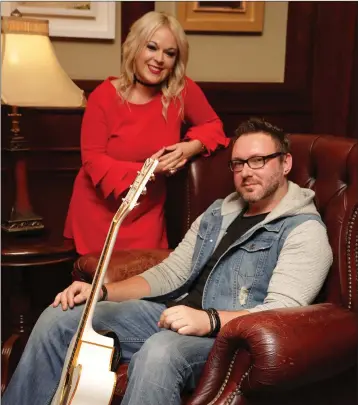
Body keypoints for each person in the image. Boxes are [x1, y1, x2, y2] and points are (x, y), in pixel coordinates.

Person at [3, 118, 333, 405]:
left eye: (258, 161)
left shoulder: (303, 230)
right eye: (238, 163)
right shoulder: (221, 210)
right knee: (62, 316)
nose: (246, 172)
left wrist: (211, 320)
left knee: (161, 351)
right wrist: (100, 292)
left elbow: (283, 311)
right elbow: (170, 272)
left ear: (286, 163)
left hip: (226, 341)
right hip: (169, 315)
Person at [64, 11, 229, 255]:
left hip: (146, 213)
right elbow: (93, 161)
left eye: (169, 53)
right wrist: (152, 169)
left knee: (146, 288)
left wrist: (190, 146)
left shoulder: (181, 91)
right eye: (152, 47)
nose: (159, 59)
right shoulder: (103, 96)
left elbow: (213, 126)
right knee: (96, 289)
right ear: (135, 47)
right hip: (99, 213)